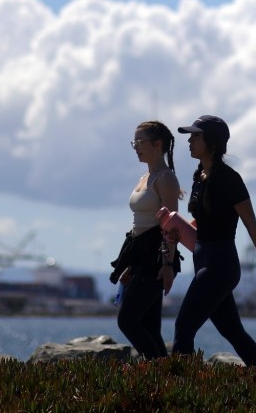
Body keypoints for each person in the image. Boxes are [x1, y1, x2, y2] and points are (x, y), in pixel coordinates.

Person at [171, 114, 256, 366]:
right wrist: (180, 229)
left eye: (196, 137)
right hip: (203, 261)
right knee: (232, 331)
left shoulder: (229, 179)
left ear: (212, 142)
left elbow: (251, 223)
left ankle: (178, 382)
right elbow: (206, 221)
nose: (189, 141)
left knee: (183, 327)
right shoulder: (199, 176)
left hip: (220, 266)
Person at [109, 120, 182, 359]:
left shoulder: (166, 178)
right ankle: (167, 374)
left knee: (127, 321)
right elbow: (138, 226)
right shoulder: (145, 177)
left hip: (156, 258)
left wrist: (168, 264)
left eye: (140, 142)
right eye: (134, 143)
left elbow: (171, 225)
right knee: (149, 326)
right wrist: (129, 264)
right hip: (139, 256)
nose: (136, 147)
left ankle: (160, 370)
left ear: (157, 144)